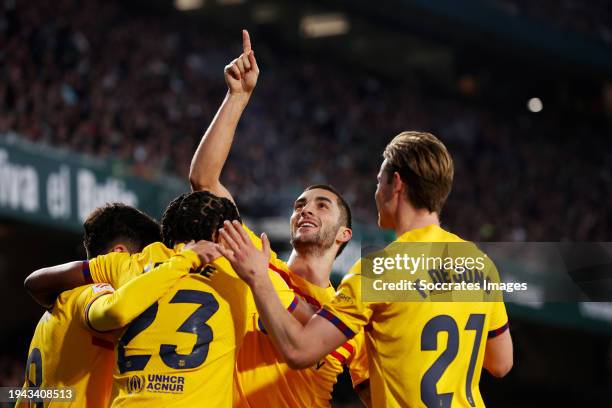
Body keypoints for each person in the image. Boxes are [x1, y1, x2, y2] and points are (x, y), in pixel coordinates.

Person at [218, 132, 514, 408]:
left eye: (378, 182)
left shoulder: (380, 270)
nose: (375, 193)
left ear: (396, 184)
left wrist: (258, 278)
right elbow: (501, 364)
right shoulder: (479, 263)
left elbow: (299, 352)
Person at [189, 30, 370, 406]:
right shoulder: (255, 258)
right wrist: (237, 97)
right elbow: (204, 180)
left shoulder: (348, 311)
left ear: (343, 234)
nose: (305, 209)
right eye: (300, 204)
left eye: (322, 205)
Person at [18, 203, 218, 408]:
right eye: (145, 264)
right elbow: (116, 311)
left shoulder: (64, 299)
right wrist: (183, 261)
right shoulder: (94, 295)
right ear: (119, 253)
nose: (148, 272)